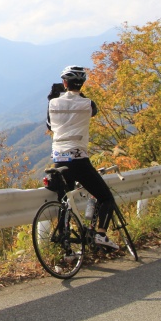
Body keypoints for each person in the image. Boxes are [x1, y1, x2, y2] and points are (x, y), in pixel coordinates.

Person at [46, 65, 119, 250]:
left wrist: (54, 97)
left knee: (65, 203)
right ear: (82, 84)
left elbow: (49, 125)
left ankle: (66, 249)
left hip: (58, 160)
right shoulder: (88, 104)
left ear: (64, 83)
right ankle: (101, 235)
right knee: (106, 197)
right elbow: (92, 111)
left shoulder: (53, 103)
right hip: (78, 160)